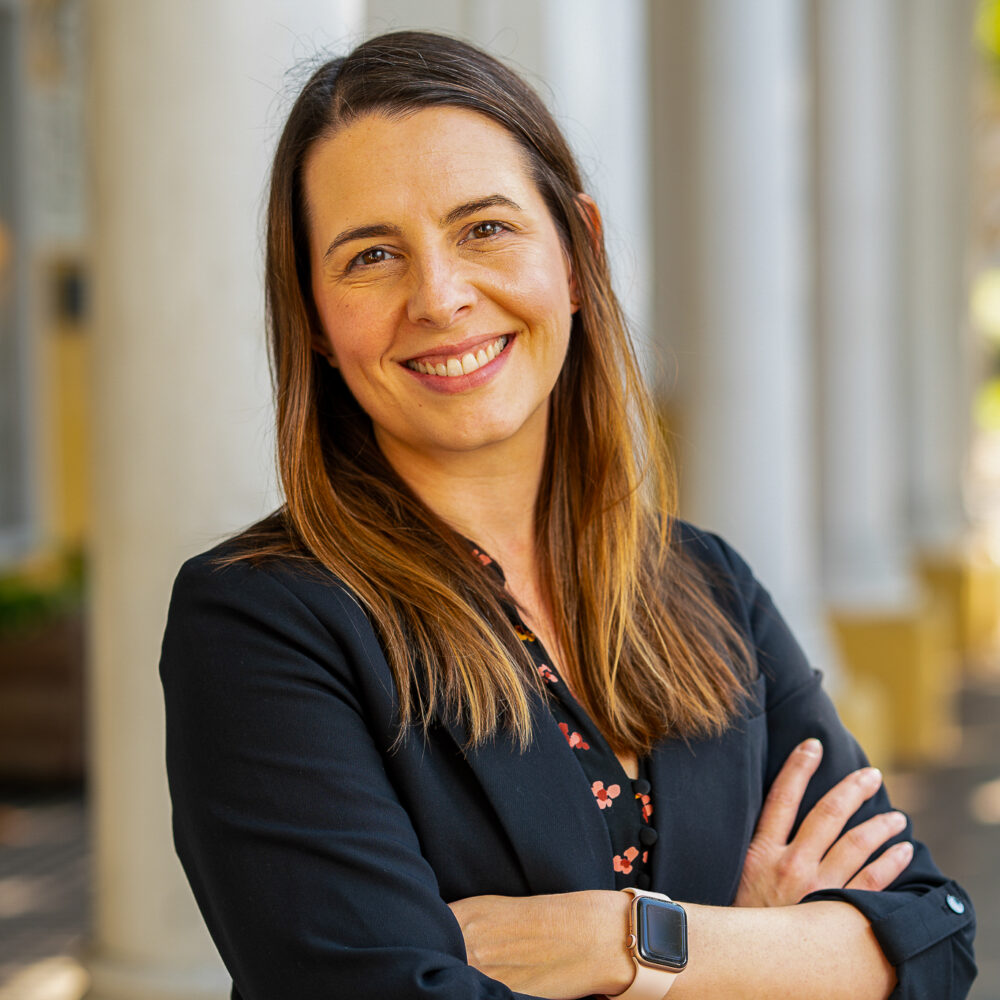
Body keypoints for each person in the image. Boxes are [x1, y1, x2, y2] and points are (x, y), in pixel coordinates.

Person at [159, 30, 976, 1000]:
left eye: (484, 228)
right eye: (371, 254)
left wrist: (624, 941)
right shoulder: (260, 625)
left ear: (579, 250)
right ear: (318, 324)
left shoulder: (705, 585)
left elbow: (930, 942)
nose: (441, 295)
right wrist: (766, 955)